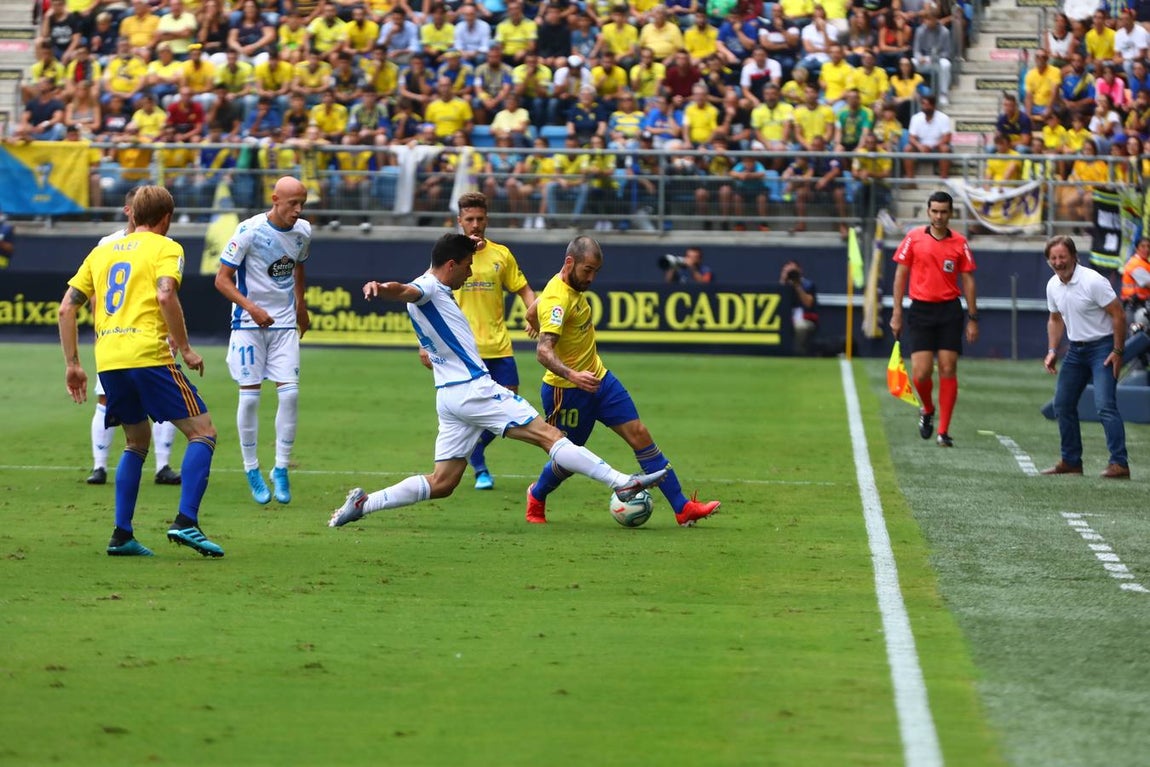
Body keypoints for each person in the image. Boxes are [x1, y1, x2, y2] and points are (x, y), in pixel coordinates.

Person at [328, 234, 667, 528]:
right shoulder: (428, 287)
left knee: (443, 482)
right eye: (467, 267)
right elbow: (404, 290)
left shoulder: (435, 283)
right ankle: (622, 482)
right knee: (551, 436)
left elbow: (423, 279)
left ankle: (364, 504)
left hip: (448, 397)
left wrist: (470, 245)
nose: (470, 273)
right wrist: (381, 288)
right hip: (474, 389)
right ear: (450, 265)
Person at [57, 186, 223, 558]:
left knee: (136, 442)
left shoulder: (101, 252)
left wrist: (73, 364)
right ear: (166, 218)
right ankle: (186, 521)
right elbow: (165, 295)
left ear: (132, 213)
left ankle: (122, 535)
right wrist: (185, 348)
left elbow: (66, 308)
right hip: (148, 354)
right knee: (203, 432)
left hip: (109, 359)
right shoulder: (167, 247)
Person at [524, 236, 720, 527]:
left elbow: (531, 312)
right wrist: (573, 374)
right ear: (570, 263)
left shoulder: (562, 284)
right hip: (566, 392)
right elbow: (543, 352)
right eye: (587, 270)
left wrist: (534, 321)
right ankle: (537, 495)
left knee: (639, 434)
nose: (591, 278)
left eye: (595, 271)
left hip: (599, 379)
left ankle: (683, 508)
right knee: (569, 457)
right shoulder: (557, 299)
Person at [213, 176, 312, 505]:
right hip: (247, 324)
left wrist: (301, 306)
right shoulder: (249, 231)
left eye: (302, 204)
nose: (297, 210)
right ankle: (251, 468)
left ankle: (281, 468)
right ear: (275, 199)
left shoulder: (303, 231)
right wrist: (251, 308)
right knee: (250, 399)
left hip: (283, 324)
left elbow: (298, 268)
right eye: (292, 204)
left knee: (291, 395)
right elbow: (222, 279)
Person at [87, 188, 183, 487]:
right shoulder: (108, 243)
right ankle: (99, 465)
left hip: (149, 333)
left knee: (162, 401)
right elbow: (96, 294)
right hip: (116, 334)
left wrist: (171, 331)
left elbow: (166, 292)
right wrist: (101, 327)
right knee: (106, 398)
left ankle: (163, 465)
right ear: (127, 210)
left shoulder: (163, 244)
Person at [445, 191, 536, 490]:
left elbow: (524, 289)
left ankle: (474, 449)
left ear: (487, 220)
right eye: (469, 219)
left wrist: (533, 314)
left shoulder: (501, 254)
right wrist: (424, 344)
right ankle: (480, 467)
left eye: (480, 219)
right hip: (464, 349)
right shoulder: (448, 255)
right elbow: (427, 297)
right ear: (460, 221)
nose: (475, 224)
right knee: (471, 410)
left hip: (498, 345)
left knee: (509, 403)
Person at [889, 191, 978, 448]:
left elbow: (968, 280)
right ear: (928, 212)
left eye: (943, 212)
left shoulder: (960, 243)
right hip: (920, 310)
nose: (939, 216)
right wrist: (896, 312)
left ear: (951, 214)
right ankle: (927, 408)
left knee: (949, 367)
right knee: (921, 373)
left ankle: (943, 431)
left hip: (949, 310)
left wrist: (973, 317)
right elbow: (900, 275)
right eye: (935, 211)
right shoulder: (913, 238)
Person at [1041, 235, 1130, 479]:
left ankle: (1119, 463)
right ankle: (1071, 461)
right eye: (1053, 258)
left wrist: (1117, 351)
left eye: (1062, 257)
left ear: (1074, 257)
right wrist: (1052, 351)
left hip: (1103, 347)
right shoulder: (1052, 285)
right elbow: (1055, 319)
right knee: (1062, 404)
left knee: (1104, 405)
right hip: (1075, 350)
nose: (1058, 262)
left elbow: (1119, 315)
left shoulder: (1093, 281)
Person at [780, 260, 819, 355]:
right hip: (786, 319)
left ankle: (797, 353)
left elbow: (808, 303)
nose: (791, 274)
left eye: (792, 271)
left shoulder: (808, 285)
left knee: (800, 327)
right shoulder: (783, 286)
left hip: (804, 319)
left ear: (799, 270)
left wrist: (797, 285)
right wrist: (783, 280)